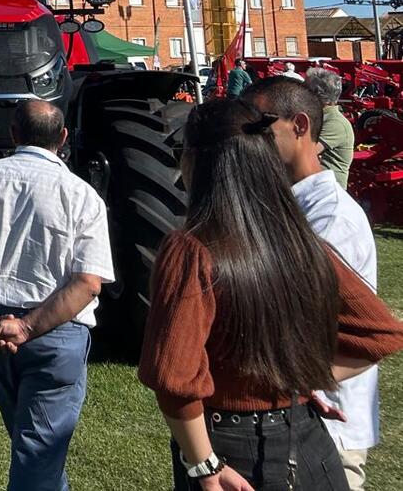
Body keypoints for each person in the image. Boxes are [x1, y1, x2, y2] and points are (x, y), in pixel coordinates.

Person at [139, 97, 403, 490]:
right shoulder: (301, 241)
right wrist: (302, 379)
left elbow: (174, 379)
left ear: (195, 160)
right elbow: (380, 335)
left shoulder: (192, 250)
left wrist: (204, 466)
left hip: (228, 450)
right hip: (309, 441)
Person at [0, 100, 116, 491]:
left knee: (35, 451)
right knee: (38, 455)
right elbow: (89, 282)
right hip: (53, 332)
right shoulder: (82, 194)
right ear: (64, 138)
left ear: (14, 134)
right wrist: (26, 326)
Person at [251, 77, 378, 489]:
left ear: (300, 126)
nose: (250, 142)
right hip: (296, 413)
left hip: (327, 423)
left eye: (261, 128)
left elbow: (304, 318)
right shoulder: (290, 205)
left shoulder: (331, 217)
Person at [304, 67, 355, 189]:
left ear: (316, 95)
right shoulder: (318, 117)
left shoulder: (335, 123)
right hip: (313, 189)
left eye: (304, 90)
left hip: (327, 194)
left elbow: (303, 153)